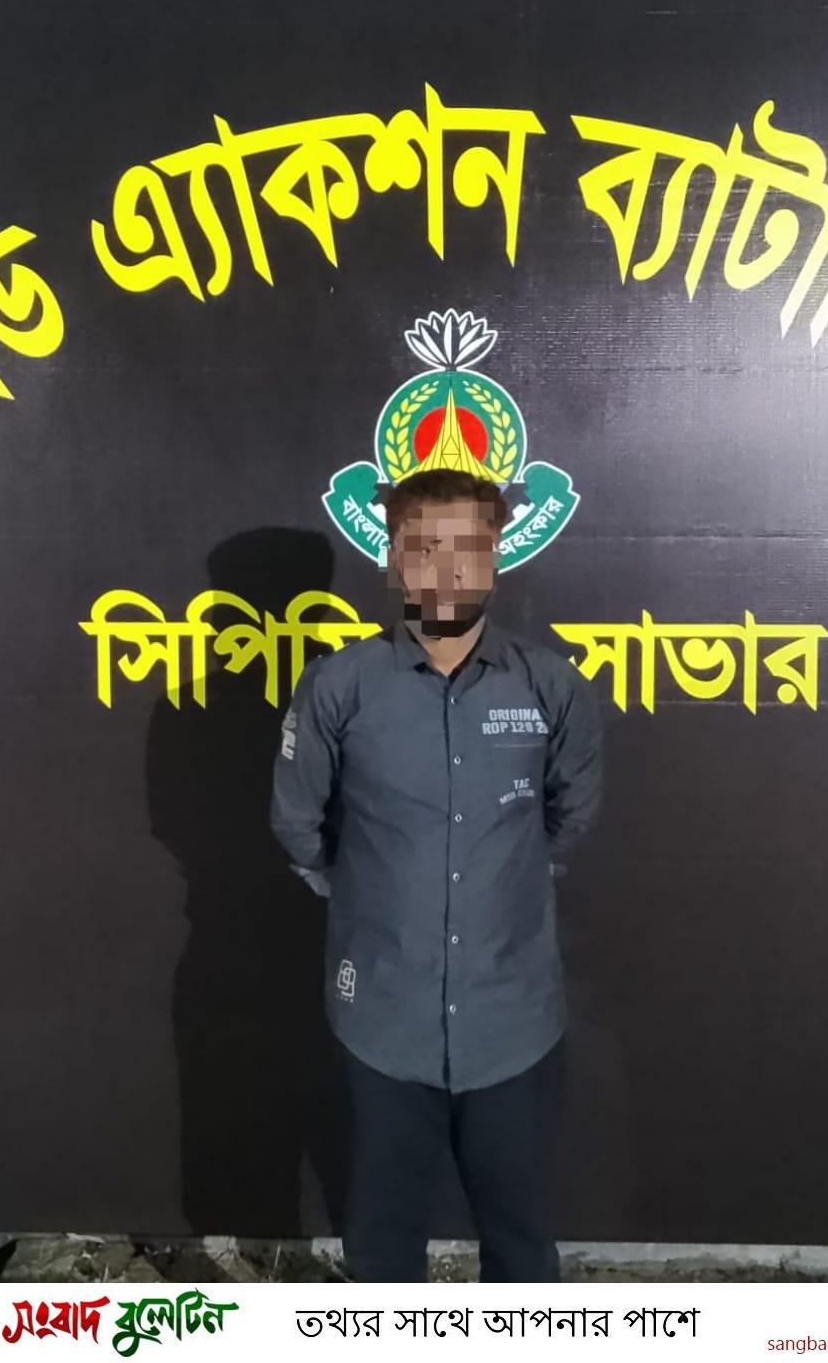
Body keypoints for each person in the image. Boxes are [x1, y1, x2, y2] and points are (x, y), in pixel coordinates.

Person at [269, 467, 603, 1282]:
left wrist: (508, 882)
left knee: (521, 1244)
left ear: (496, 556)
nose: (445, 570)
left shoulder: (550, 685)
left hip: (512, 1021)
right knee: (380, 1245)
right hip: (381, 1020)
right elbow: (298, 824)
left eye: (466, 548)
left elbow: (569, 818)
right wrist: (369, 895)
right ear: (391, 559)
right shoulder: (338, 686)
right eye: (421, 548)